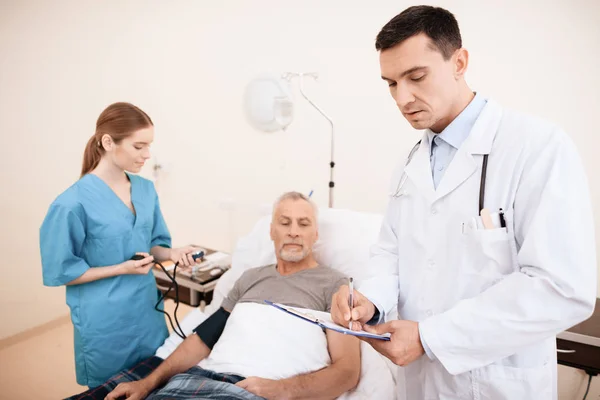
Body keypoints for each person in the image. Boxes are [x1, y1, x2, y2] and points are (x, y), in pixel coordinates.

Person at [330, 6, 597, 399]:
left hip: (496, 383)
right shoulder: (410, 165)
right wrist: (369, 299)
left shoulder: (537, 148)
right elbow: (390, 252)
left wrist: (431, 337)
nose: (403, 98)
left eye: (416, 77)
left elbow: (561, 287)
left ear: (459, 62)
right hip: (420, 384)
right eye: (390, 84)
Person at [104, 191, 360, 400]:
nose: (293, 231)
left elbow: (348, 371)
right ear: (271, 232)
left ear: (315, 235)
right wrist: (147, 384)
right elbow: (203, 338)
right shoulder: (249, 277)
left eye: (303, 224)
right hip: (198, 383)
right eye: (285, 223)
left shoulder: (335, 284)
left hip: (258, 392)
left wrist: (283, 389)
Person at [40, 102, 202, 388]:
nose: (147, 155)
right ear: (108, 142)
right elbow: (61, 270)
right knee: (111, 390)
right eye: (138, 146)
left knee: (155, 382)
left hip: (146, 311)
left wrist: (172, 253)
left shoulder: (145, 190)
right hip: (104, 322)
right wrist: (121, 269)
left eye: (149, 145)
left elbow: (153, 244)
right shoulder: (71, 204)